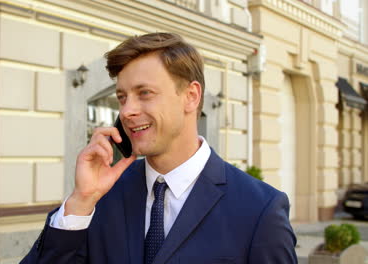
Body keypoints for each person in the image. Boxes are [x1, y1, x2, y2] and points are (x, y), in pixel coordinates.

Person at [21, 32, 297, 264]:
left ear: (191, 96)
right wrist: (81, 201)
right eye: (122, 97)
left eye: (144, 93)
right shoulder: (100, 196)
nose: (127, 111)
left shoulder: (260, 210)